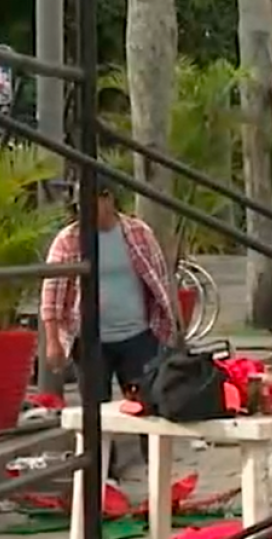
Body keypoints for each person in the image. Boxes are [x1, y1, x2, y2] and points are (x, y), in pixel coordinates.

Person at [41, 180, 175, 480]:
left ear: (109, 199)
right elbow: (52, 292)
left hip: (138, 336)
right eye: (81, 206)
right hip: (91, 340)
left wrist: (165, 326)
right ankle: (102, 476)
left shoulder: (137, 233)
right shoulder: (69, 240)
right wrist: (53, 341)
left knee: (147, 405)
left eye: (93, 203)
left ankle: (157, 472)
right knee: (95, 409)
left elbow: (158, 278)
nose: (88, 212)